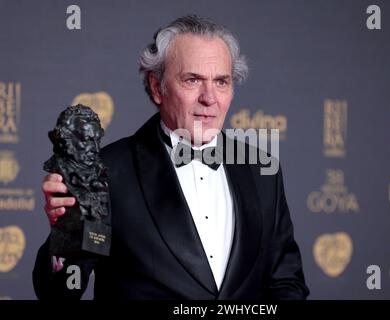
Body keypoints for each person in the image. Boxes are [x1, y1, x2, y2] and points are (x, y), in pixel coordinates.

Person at [33, 15, 309, 300]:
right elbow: (58, 293)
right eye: (193, 80)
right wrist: (68, 230)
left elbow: (286, 283)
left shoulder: (261, 170)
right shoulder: (106, 172)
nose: (210, 98)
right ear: (157, 87)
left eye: (221, 82)